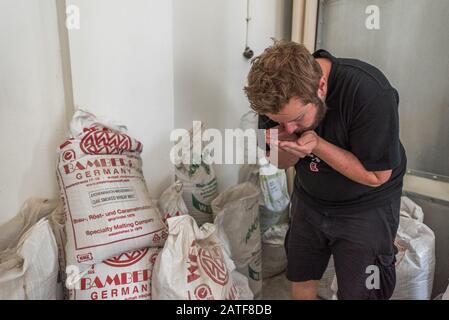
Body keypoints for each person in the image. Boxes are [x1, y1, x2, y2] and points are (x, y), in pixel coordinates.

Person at [244, 41, 407, 300]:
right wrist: (285, 147)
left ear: (321, 87)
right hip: (310, 199)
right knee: (301, 274)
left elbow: (377, 176)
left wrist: (316, 145)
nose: (289, 128)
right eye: (280, 122)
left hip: (365, 206)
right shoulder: (275, 97)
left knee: (362, 292)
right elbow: (281, 162)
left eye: (297, 119)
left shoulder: (368, 91)